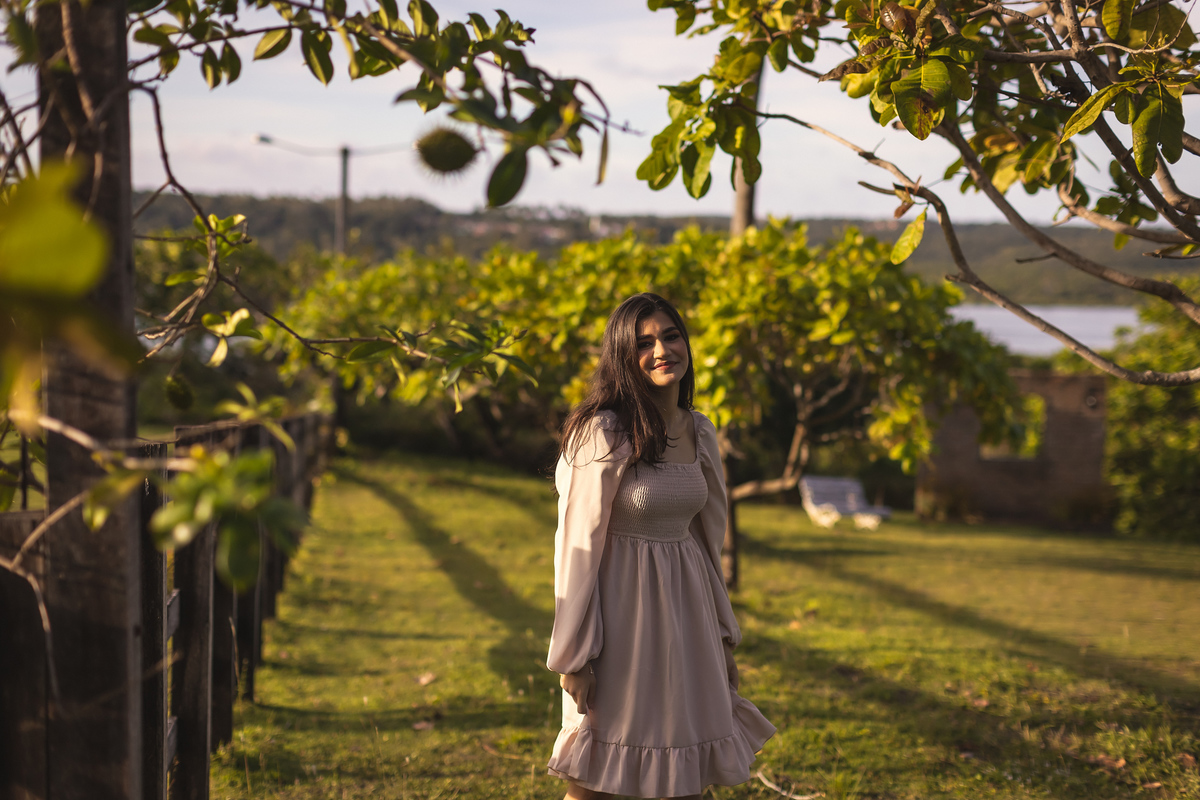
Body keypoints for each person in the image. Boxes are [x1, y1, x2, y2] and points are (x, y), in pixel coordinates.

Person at [545, 293, 776, 800]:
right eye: (644, 342)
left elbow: (706, 544)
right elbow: (576, 548)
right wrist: (574, 657)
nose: (661, 349)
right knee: (594, 780)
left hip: (686, 620)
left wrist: (720, 636)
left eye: (671, 336)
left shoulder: (699, 432)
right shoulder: (604, 431)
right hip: (619, 623)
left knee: (684, 773)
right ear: (622, 357)